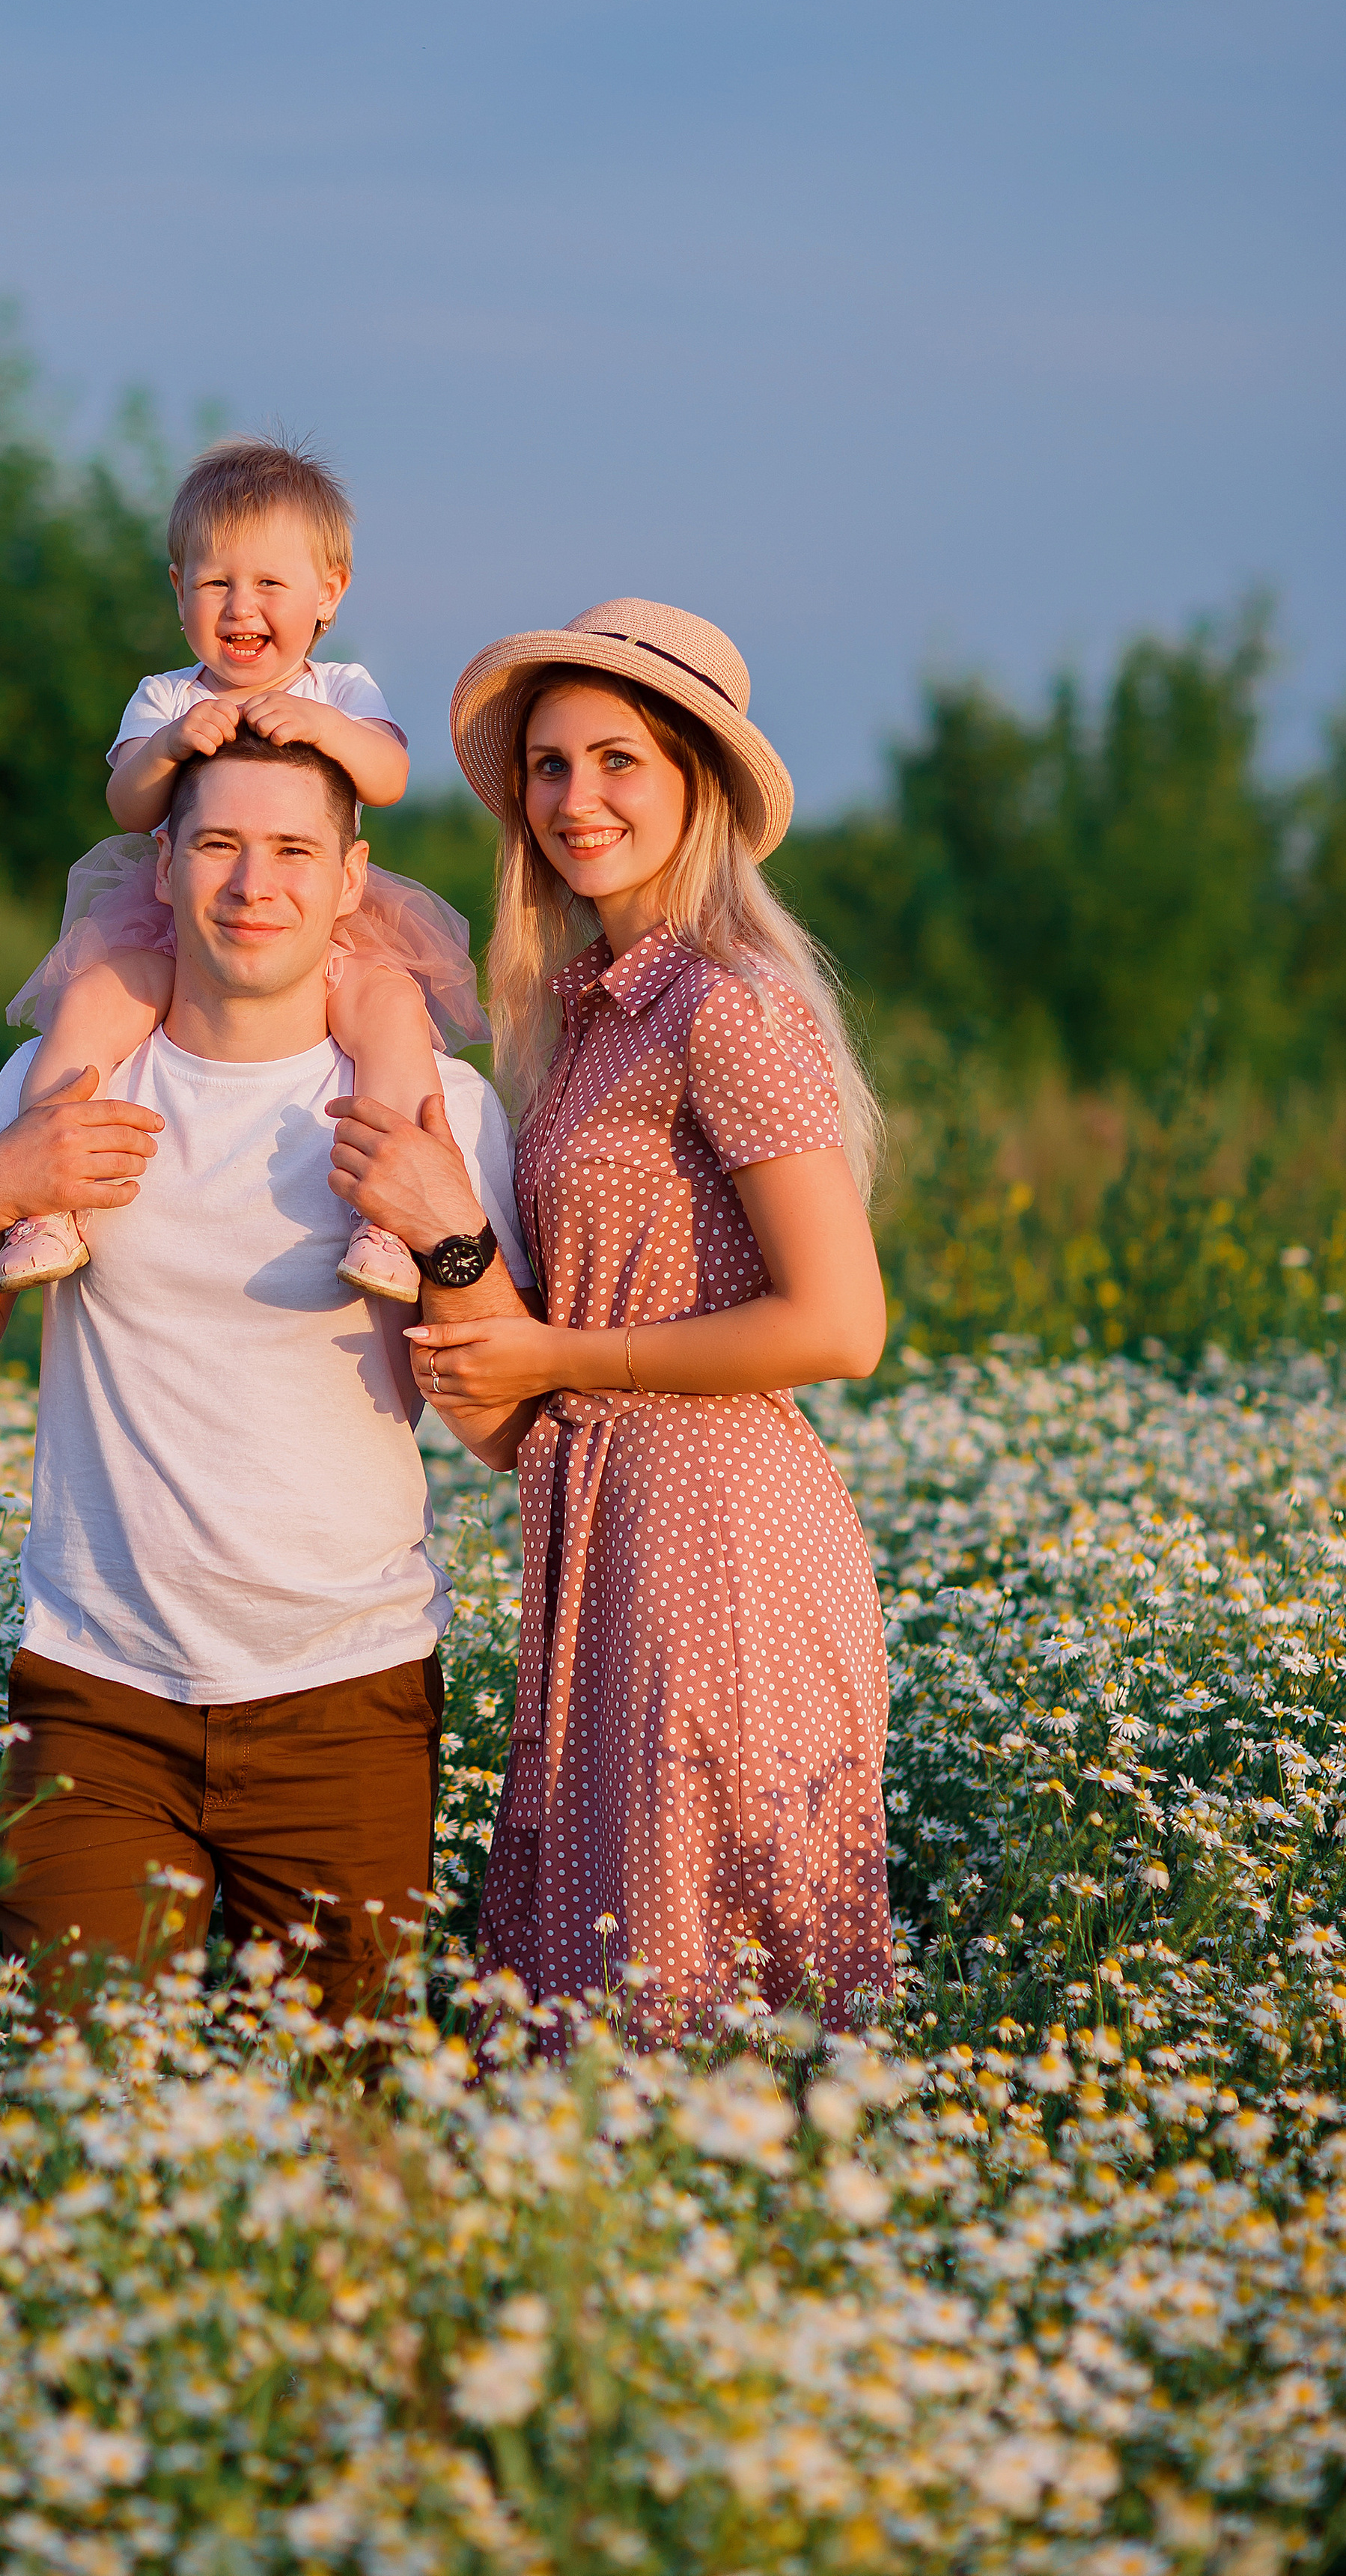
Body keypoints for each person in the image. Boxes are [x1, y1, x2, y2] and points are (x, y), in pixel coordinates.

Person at [0, 733, 532, 2027]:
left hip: (350, 1693)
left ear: (353, 882)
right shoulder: (64, 1081)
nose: (253, 884)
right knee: (75, 2109)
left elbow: (498, 1427)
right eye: (219, 846)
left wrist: (449, 1238)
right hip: (96, 1695)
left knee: (347, 2114)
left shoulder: (433, 1101)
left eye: (293, 851)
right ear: (162, 866)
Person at [403, 599, 894, 2036]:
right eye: (550, 767)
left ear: (696, 786)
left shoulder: (723, 1009)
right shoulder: (587, 1017)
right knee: (606, 1983)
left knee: (689, 1987)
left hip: (719, 1541)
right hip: (603, 1529)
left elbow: (842, 1323)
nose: (575, 800)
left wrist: (560, 1355)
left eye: (618, 761)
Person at [0, 433, 485, 1309]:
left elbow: (388, 776)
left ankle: (395, 1212)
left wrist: (322, 726)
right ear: (179, 591)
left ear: (328, 593)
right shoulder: (168, 697)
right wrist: (171, 747)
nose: (240, 606)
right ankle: (46, 1199)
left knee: (391, 1010)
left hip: (320, 928)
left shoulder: (340, 689)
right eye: (216, 582)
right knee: (95, 1001)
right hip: (176, 922)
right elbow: (128, 805)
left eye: (270, 584)